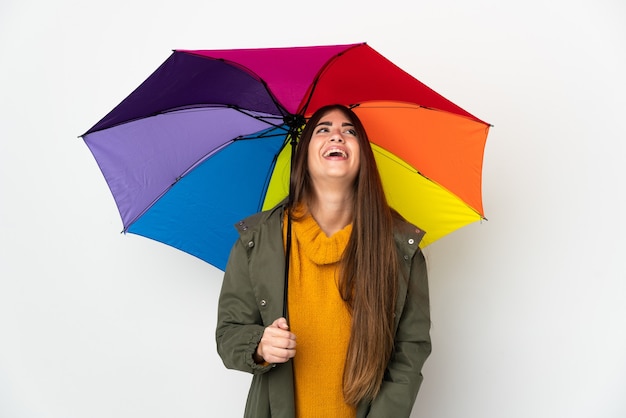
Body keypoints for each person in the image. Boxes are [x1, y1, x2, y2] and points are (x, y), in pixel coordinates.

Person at [216, 104, 431, 418]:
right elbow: (228, 333)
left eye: (350, 131)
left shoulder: (400, 247)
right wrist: (259, 345)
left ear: (364, 157)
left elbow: (409, 355)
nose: (338, 136)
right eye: (323, 129)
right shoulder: (257, 240)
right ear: (303, 154)